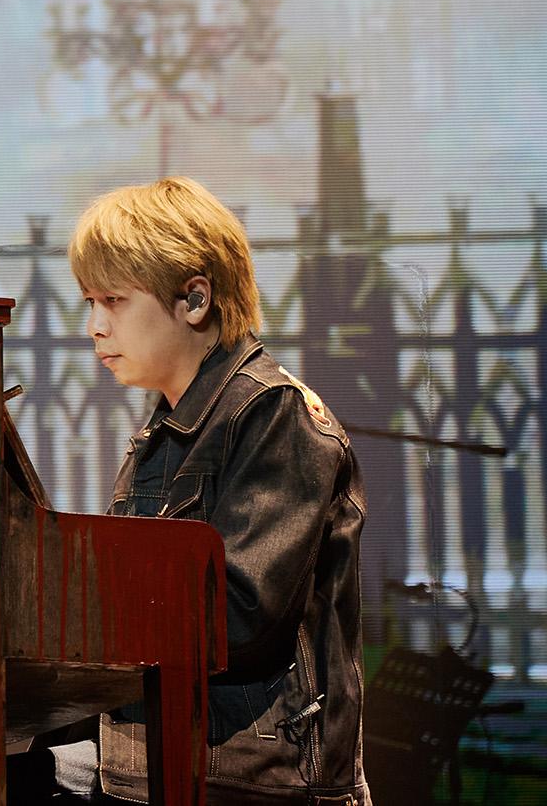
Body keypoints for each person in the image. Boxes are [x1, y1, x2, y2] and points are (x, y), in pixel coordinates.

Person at [24, 177, 369, 805]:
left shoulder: (272, 413)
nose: (94, 326)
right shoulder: (165, 430)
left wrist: (85, 605)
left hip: (257, 778)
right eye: (89, 302)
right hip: (156, 761)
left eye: (113, 301)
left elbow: (237, 616)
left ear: (194, 299)